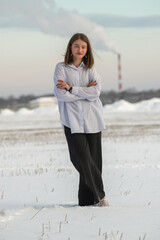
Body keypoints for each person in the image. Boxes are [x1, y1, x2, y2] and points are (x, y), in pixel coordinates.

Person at [53, 33, 109, 207]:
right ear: (70, 47)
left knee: (94, 161)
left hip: (92, 119)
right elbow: (61, 95)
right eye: (76, 46)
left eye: (83, 47)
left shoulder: (91, 70)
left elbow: (96, 93)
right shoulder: (61, 68)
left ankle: (86, 202)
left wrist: (71, 88)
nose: (80, 49)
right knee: (80, 158)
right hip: (72, 121)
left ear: (87, 50)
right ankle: (101, 196)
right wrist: (83, 93)